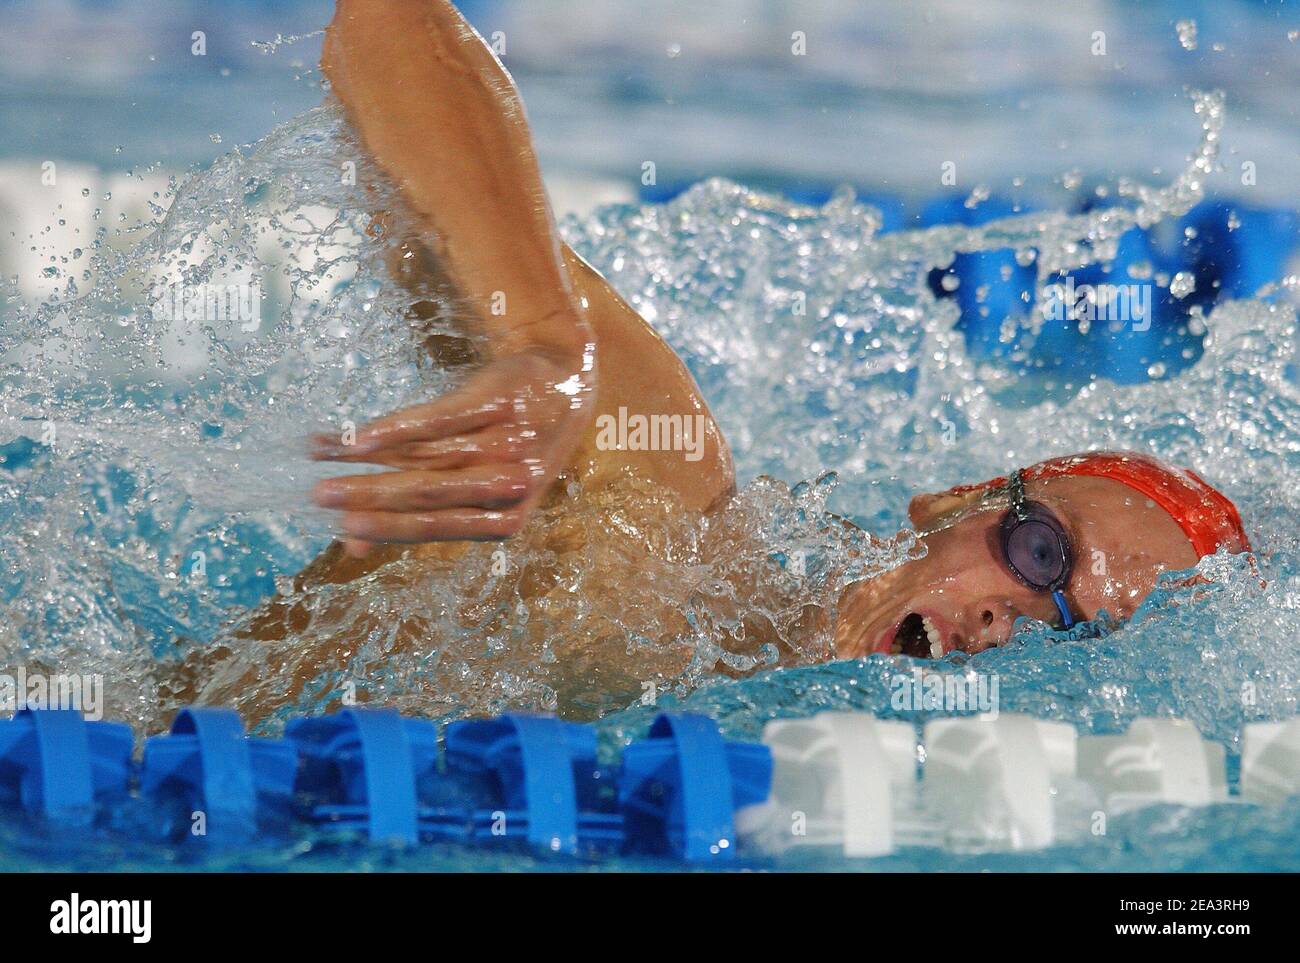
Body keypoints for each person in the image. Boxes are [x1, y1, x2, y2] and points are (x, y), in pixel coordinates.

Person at [175, 0, 1250, 721]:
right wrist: (542, 341)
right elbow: (385, 25)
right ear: (960, 499)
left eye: (1071, 637)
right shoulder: (657, 507)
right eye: (1039, 558)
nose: (1000, 629)